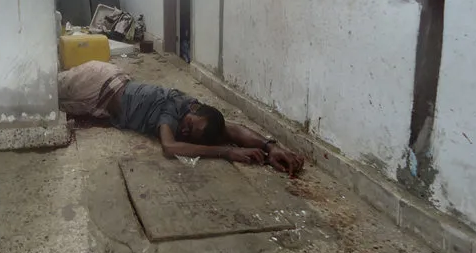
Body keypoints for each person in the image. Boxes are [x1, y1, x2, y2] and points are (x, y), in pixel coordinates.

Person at [58, 61, 304, 175]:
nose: (184, 131)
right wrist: (226, 152)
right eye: (187, 126)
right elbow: (169, 147)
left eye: (190, 133)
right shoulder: (174, 109)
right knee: (45, 92)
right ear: (193, 111)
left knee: (55, 103)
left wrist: (270, 147)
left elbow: (232, 129)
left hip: (104, 98)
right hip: (98, 83)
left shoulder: (199, 116)